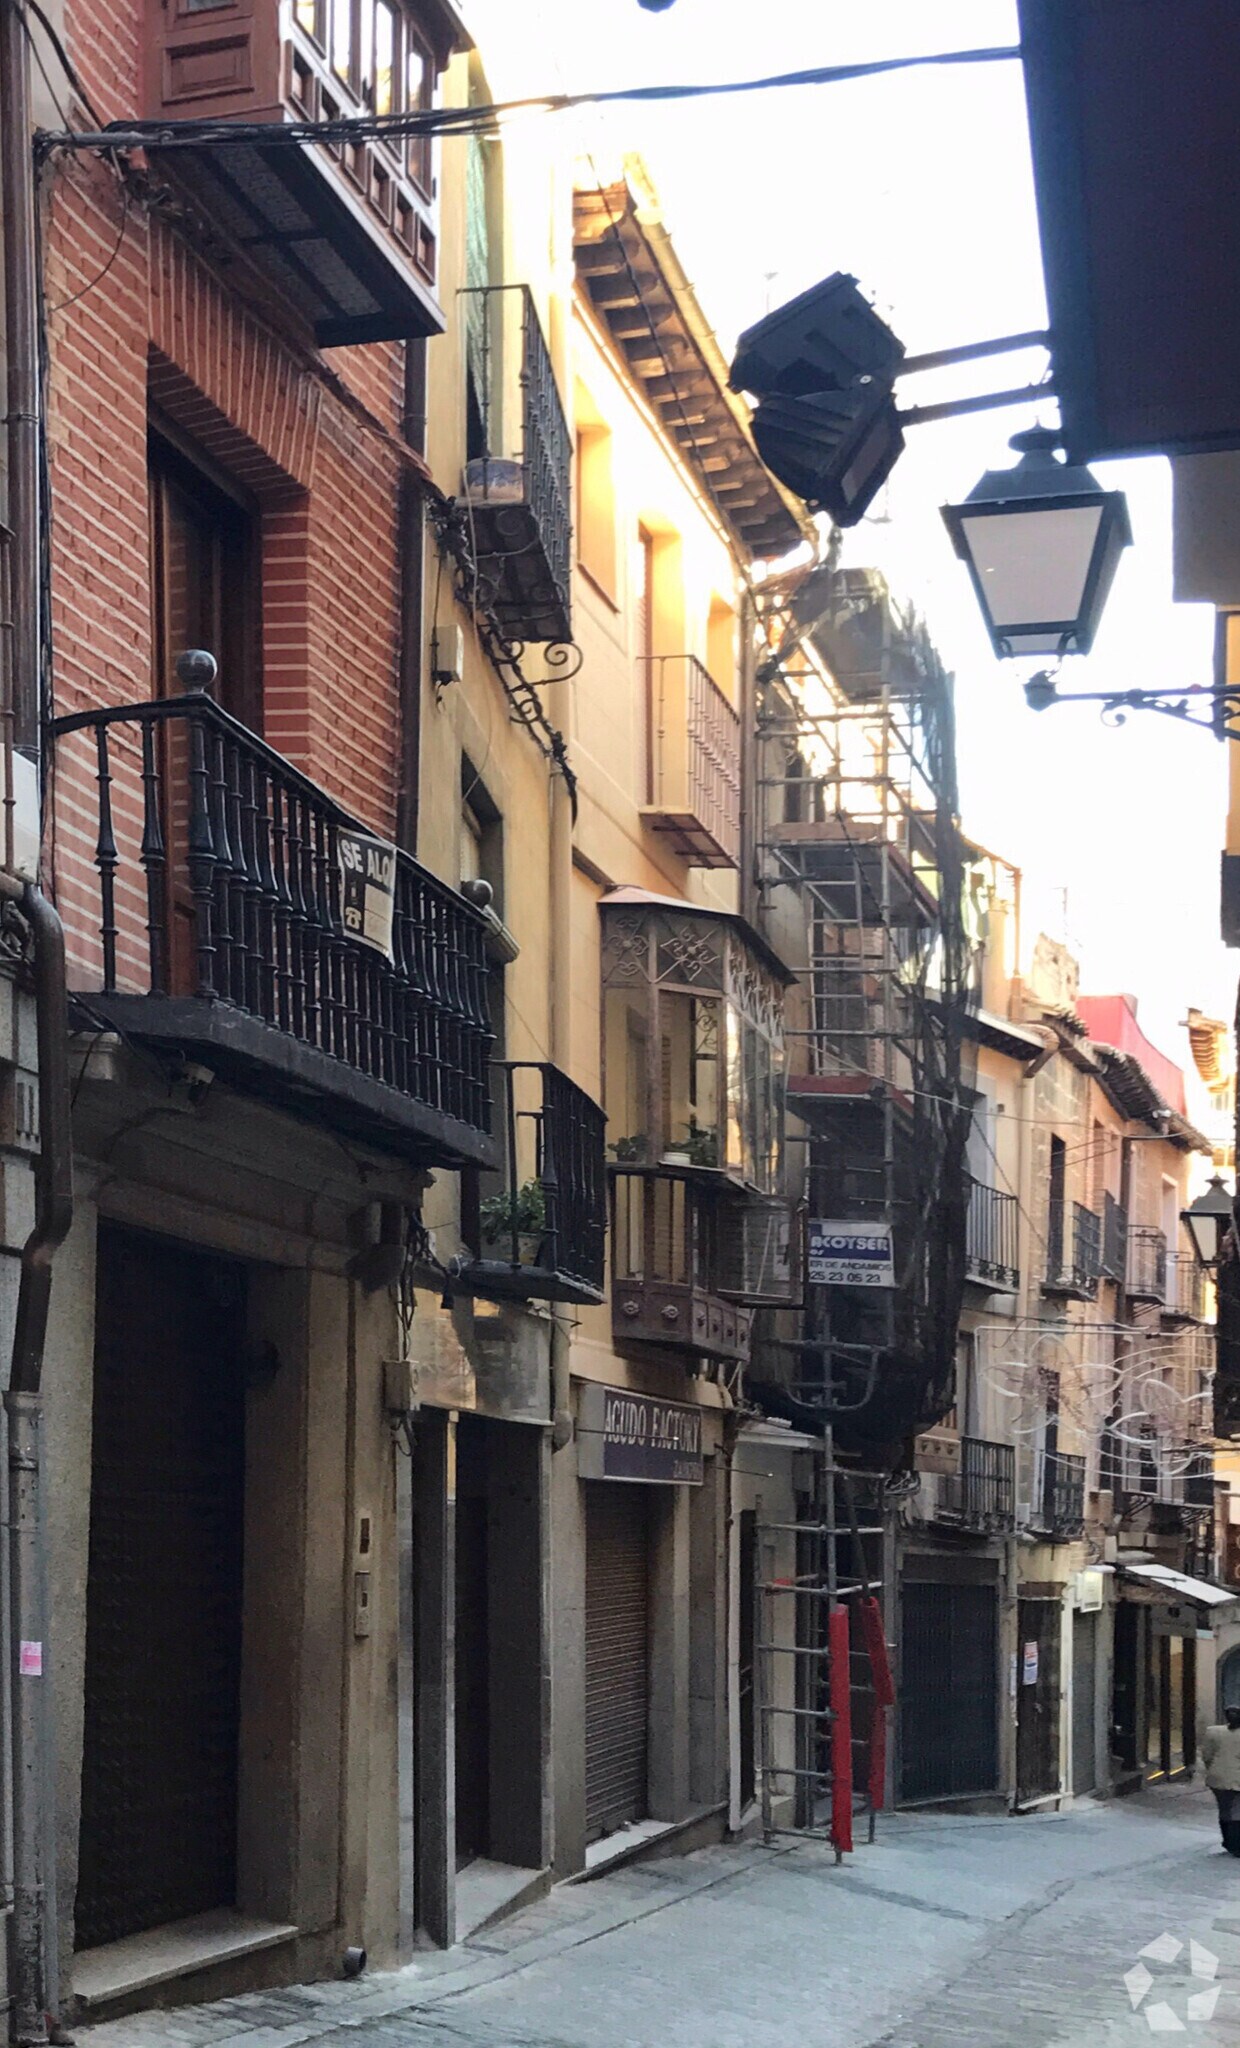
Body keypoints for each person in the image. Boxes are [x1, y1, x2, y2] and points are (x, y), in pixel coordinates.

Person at [1201, 1704, 1240, 1855]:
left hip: (1218, 1778)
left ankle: (1228, 1841)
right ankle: (1235, 1844)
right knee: (1237, 1811)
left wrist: (1213, 1769)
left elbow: (1207, 1755)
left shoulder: (1213, 1732)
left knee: (1224, 1810)